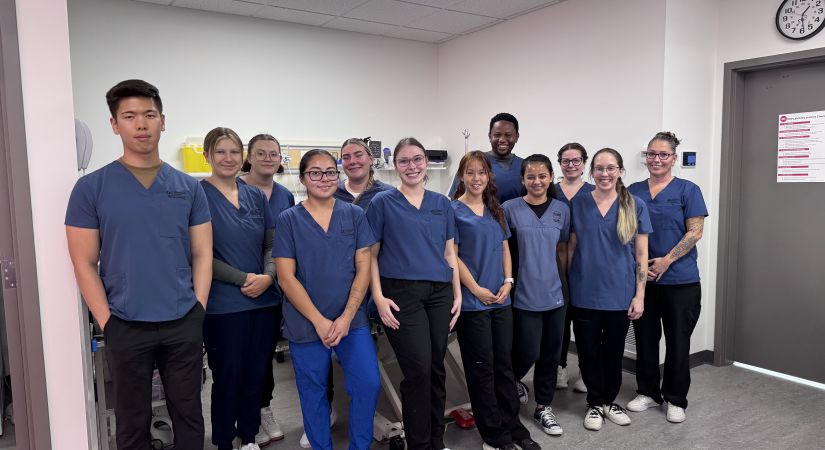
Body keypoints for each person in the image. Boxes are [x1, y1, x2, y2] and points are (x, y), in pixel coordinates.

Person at [65, 79, 211, 450]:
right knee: (131, 422)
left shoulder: (188, 187)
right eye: (129, 116)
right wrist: (108, 321)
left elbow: (202, 253)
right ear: (114, 124)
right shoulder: (92, 188)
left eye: (149, 115)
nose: (141, 124)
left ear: (163, 121)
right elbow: (83, 261)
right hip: (126, 322)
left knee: (189, 416)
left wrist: (198, 308)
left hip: (182, 319)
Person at [274, 149, 380, 450]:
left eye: (331, 172)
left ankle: (359, 446)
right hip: (306, 322)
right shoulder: (289, 220)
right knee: (313, 391)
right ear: (304, 177)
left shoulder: (355, 215)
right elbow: (286, 277)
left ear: (339, 175)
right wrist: (320, 321)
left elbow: (363, 269)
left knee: (367, 383)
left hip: (352, 319)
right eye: (315, 173)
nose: (324, 178)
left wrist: (346, 317)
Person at [367, 137, 461, 450]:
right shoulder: (382, 203)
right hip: (400, 293)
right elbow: (371, 255)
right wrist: (378, 297)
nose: (412, 166)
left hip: (439, 292)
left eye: (417, 159)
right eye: (405, 161)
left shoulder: (441, 204)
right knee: (418, 368)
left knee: (436, 367)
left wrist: (457, 293)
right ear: (396, 166)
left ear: (426, 163)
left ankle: (436, 440)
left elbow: (450, 254)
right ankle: (418, 444)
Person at [451, 151, 542, 450]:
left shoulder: (495, 209)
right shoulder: (453, 210)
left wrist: (508, 281)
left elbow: (505, 249)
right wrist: (475, 289)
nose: (476, 178)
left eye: (482, 172)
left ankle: (513, 426)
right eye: (470, 172)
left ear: (489, 176)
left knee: (505, 366)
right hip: (473, 303)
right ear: (462, 176)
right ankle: (493, 435)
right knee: (482, 369)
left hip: (501, 300)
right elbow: (451, 255)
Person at [199, 127, 279, 450]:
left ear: (242, 157)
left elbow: (272, 243)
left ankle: (248, 438)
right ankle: (223, 443)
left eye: (234, 152)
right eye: (220, 151)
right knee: (227, 377)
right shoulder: (197, 195)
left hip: (263, 303)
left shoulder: (255, 195)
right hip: (223, 307)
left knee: (256, 375)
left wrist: (269, 276)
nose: (228, 158)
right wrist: (243, 279)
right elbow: (197, 254)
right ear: (207, 156)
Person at [568, 148, 652, 432]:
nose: (605, 174)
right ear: (591, 172)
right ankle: (594, 403)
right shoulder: (578, 204)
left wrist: (639, 296)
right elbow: (571, 248)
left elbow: (642, 255)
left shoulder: (634, 204)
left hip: (620, 293)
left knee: (614, 353)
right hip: (584, 292)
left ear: (620, 171)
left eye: (611, 168)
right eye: (600, 169)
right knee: (588, 352)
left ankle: (609, 401)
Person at [626, 132, 707, 424]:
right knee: (645, 339)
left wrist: (666, 261)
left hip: (680, 281)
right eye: (651, 154)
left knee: (678, 342)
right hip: (643, 280)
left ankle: (675, 398)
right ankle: (647, 392)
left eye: (663, 155)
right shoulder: (633, 190)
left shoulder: (687, 189)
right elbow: (626, 231)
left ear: (674, 158)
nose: (656, 159)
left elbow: (695, 231)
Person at [502, 154, 570, 438]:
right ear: (522, 180)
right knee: (528, 350)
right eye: (531, 177)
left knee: (551, 354)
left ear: (551, 177)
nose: (537, 181)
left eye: (542, 176)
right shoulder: (509, 209)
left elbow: (563, 249)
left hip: (555, 292)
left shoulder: (561, 210)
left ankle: (543, 406)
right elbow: (503, 251)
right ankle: (511, 384)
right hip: (523, 292)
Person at [238, 133, 295, 445]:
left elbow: (284, 242)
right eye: (261, 153)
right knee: (239, 359)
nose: (268, 159)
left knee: (263, 356)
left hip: (274, 287)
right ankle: (244, 418)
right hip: (239, 285)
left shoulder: (284, 195)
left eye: (274, 154)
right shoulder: (233, 189)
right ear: (250, 156)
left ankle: (263, 410)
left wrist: (272, 278)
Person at [554, 143, 594, 394]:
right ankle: (559, 367)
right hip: (554, 265)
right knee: (559, 322)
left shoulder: (593, 192)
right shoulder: (550, 190)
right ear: (559, 163)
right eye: (565, 161)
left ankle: (585, 371)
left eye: (576, 160)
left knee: (584, 323)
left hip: (585, 265)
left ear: (584, 162)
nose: (571, 165)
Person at [449, 113, 526, 203]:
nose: (502, 139)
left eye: (508, 135)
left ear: (517, 137)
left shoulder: (525, 166)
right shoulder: (473, 163)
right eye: (497, 135)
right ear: (490, 136)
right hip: (481, 216)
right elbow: (455, 200)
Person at [334, 137, 391, 206]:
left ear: (371, 159)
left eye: (358, 155)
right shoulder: (333, 192)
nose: (352, 161)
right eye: (346, 157)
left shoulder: (388, 194)